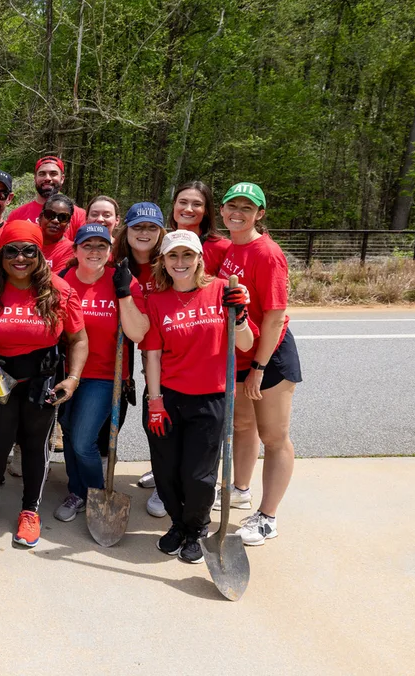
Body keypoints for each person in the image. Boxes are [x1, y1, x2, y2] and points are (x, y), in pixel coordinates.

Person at [141, 230, 255, 564]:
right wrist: (155, 401)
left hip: (210, 398)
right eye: (173, 256)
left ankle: (196, 529)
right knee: (166, 469)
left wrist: (242, 315)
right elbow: (152, 355)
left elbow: (245, 343)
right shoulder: (157, 300)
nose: (180, 263)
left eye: (187, 255)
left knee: (199, 473)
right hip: (169, 397)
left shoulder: (222, 289)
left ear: (199, 259)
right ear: (163, 261)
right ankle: (177, 524)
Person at [0, 220, 87, 548]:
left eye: (28, 250)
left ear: (40, 254)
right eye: (12, 250)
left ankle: (30, 510)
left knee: (35, 446)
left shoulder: (59, 290)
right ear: (2, 255)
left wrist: (73, 378)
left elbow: (78, 339)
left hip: (42, 379)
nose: (20, 258)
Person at [217, 182, 302, 545]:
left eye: (247, 208)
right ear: (222, 210)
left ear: (260, 214)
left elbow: (275, 315)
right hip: (241, 352)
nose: (237, 213)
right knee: (243, 425)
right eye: (232, 206)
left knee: (274, 436)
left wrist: (260, 367)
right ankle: (241, 489)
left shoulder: (266, 253)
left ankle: (268, 516)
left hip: (269, 357)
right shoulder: (231, 248)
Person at [53, 224, 148, 521]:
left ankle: (96, 494)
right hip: (68, 371)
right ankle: (76, 491)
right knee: (68, 433)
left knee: (83, 440)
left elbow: (139, 332)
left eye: (101, 246)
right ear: (75, 250)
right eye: (88, 245)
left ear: (109, 251)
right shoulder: (63, 280)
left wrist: (123, 293)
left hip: (107, 374)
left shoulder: (122, 280)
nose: (94, 251)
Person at [109, 201, 167, 514]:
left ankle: (169, 483)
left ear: (161, 231)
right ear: (126, 230)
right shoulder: (117, 264)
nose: (144, 233)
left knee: (167, 420)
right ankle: (162, 471)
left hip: (173, 352)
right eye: (138, 227)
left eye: (151, 227)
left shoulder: (172, 261)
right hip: (143, 353)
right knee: (151, 419)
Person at [7, 156, 85, 240]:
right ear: (35, 179)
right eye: (42, 174)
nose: (47, 178)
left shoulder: (79, 216)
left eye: (53, 174)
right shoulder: (17, 215)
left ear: (62, 179)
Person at [169, 180, 230, 276]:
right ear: (174, 205)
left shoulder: (222, 247)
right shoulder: (163, 243)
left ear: (206, 210)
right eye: (183, 202)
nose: (188, 209)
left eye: (197, 204)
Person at [40, 194, 77, 269]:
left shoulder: (71, 250)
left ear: (68, 224)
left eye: (63, 217)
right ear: (40, 218)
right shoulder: (28, 242)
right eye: (50, 214)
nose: (55, 221)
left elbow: (57, 279)